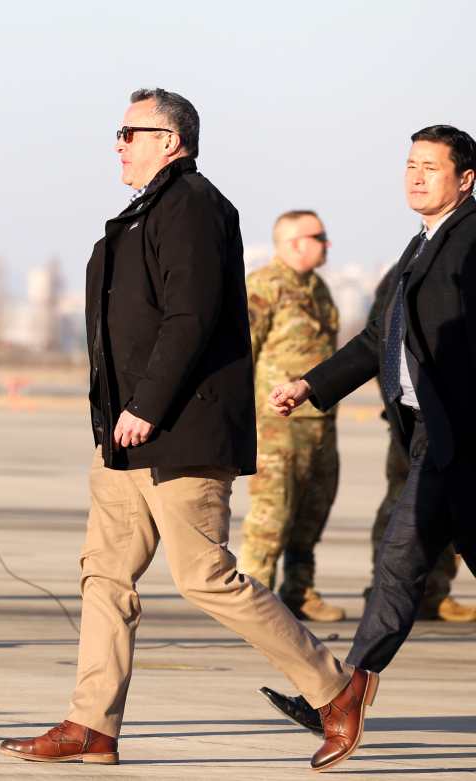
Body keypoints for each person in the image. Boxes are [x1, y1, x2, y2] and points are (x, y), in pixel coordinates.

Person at [0, 88, 370, 771]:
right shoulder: (143, 211)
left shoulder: (193, 205)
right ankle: (92, 724)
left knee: (204, 576)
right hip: (125, 438)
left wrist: (145, 405)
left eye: (129, 132)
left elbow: (190, 316)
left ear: (169, 141)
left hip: (178, 431)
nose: (118, 144)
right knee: (104, 574)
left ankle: (336, 686)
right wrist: (116, 417)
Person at [260, 126, 476, 735]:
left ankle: (342, 699)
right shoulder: (423, 243)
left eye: (431, 166)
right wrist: (309, 385)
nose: (416, 176)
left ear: (466, 179)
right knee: (400, 564)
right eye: (410, 164)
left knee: (400, 558)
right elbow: (380, 336)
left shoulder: (471, 241)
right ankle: (343, 697)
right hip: (432, 435)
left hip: (460, 436)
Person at [237, 210, 345, 622]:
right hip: (276, 427)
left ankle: (299, 591)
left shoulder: (318, 289)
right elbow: (241, 354)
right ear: (295, 243)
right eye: (320, 236)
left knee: (312, 513)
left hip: (320, 424)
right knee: (272, 515)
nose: (327, 243)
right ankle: (253, 601)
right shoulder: (264, 286)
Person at [365, 268, 475, 623]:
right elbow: (382, 343)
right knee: (404, 510)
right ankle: (385, 597)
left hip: (455, 421)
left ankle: (433, 592)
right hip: (416, 422)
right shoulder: (408, 271)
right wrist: (398, 406)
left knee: (448, 509)